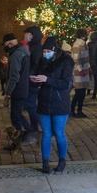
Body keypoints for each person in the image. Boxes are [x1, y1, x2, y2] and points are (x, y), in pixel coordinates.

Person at [32, 36, 74, 173]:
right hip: (44, 101)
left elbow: (65, 84)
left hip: (60, 103)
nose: (45, 54)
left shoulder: (65, 62)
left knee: (59, 133)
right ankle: (45, 162)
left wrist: (47, 79)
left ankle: (62, 160)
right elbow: (39, 76)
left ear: (55, 51)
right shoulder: (43, 61)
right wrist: (36, 80)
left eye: (48, 51)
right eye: (44, 52)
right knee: (46, 133)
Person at [3, 32, 32, 149]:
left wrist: (8, 92)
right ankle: (30, 133)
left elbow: (14, 76)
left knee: (15, 117)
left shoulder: (16, 55)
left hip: (17, 89)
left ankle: (17, 141)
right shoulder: (24, 51)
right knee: (18, 115)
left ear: (10, 43)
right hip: (24, 87)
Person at [22, 25, 44, 142]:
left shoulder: (36, 48)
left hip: (32, 81)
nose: (26, 36)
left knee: (30, 106)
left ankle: (45, 128)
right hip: (31, 80)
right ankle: (34, 132)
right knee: (32, 107)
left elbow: (35, 63)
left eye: (28, 33)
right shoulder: (32, 46)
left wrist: (30, 75)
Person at [70, 29, 91, 118]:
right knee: (79, 92)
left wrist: (88, 67)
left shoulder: (84, 44)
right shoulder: (77, 45)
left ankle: (79, 110)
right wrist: (80, 70)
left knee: (82, 92)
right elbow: (75, 59)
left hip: (84, 70)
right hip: (79, 72)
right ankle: (72, 110)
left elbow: (86, 58)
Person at [88, 30, 97, 99]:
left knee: (89, 77)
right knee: (96, 78)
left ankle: (88, 90)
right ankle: (94, 93)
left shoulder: (90, 44)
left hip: (91, 62)